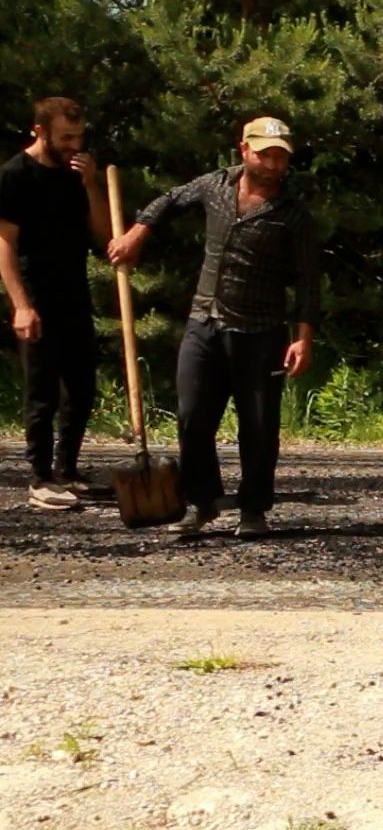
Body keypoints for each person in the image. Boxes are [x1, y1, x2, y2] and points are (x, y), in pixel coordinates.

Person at [106, 117, 320, 539]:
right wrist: (136, 235)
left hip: (260, 331)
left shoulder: (294, 216)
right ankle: (203, 502)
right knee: (192, 416)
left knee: (259, 425)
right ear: (244, 149)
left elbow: (309, 284)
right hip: (204, 321)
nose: (274, 164)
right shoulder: (215, 185)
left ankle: (253, 508)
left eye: (281, 156)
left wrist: (303, 339)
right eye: (265, 154)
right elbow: (169, 200)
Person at [0, 97, 111, 509]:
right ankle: (40, 478)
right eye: (66, 137)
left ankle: (68, 471)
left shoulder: (76, 174)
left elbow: (103, 236)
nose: (74, 145)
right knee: (41, 392)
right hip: (36, 294)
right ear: (39, 131)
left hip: (75, 293)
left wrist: (90, 184)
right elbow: (4, 244)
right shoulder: (14, 176)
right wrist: (21, 305)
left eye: (79, 137)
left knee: (81, 388)